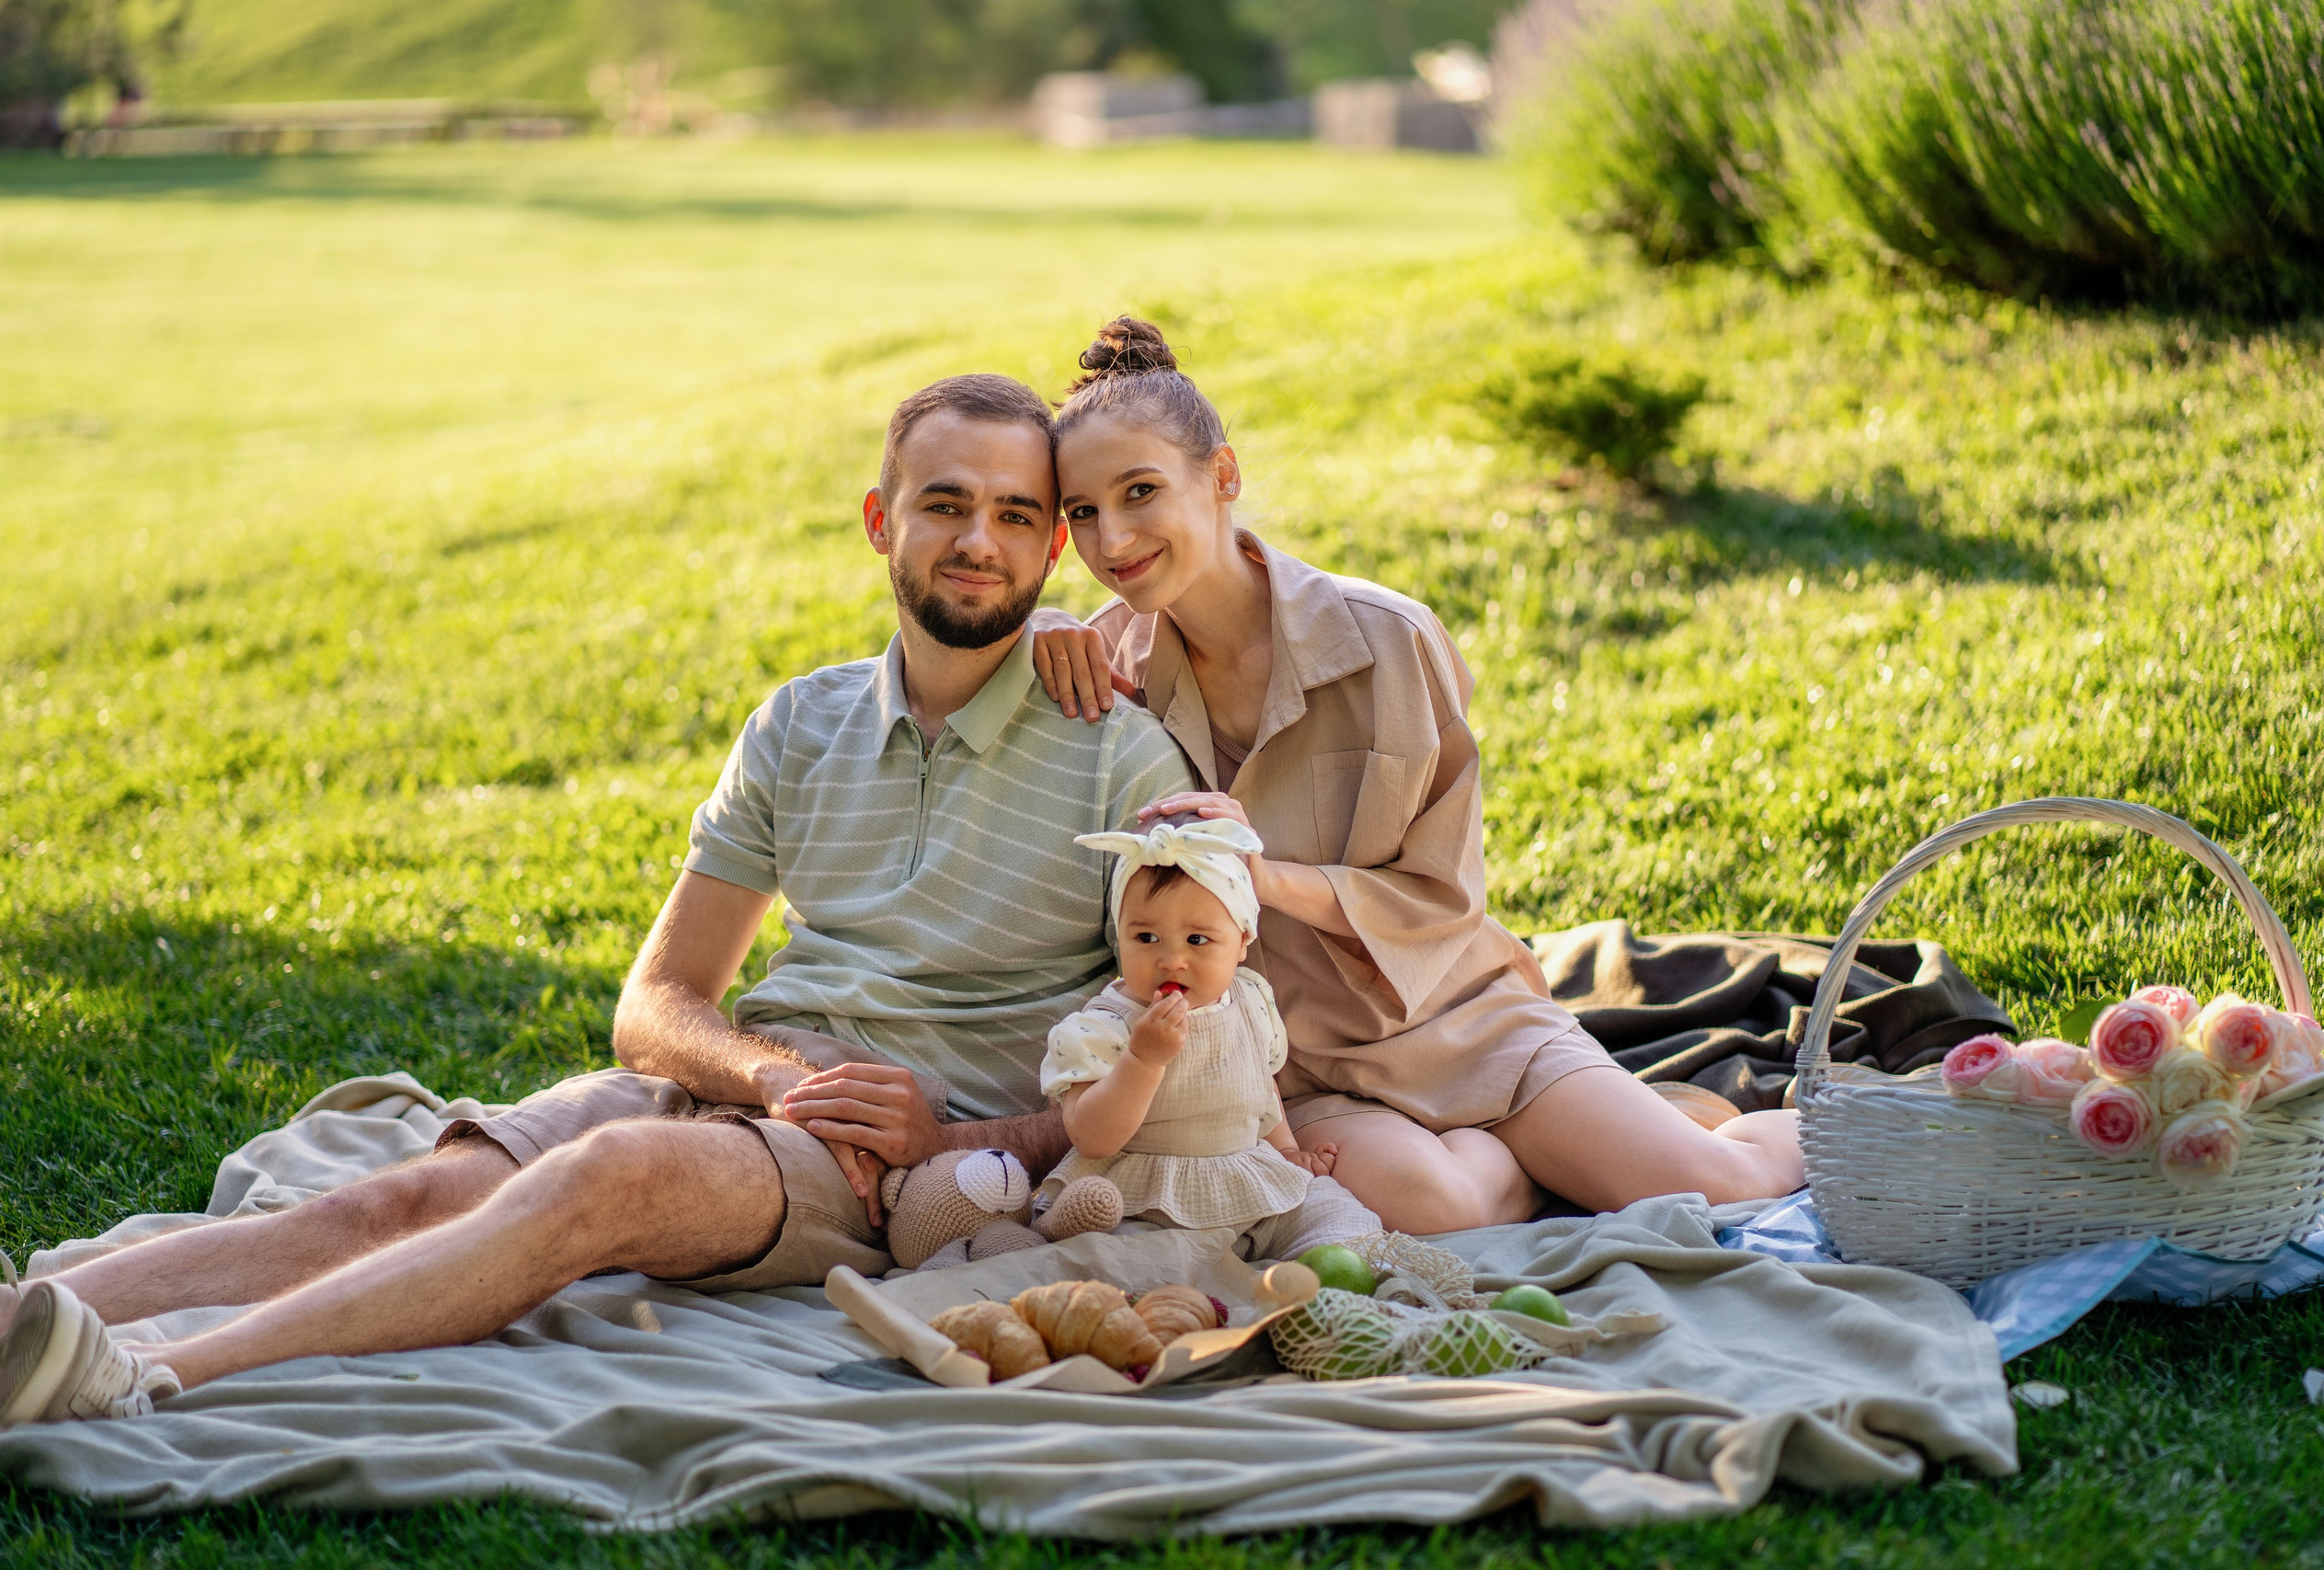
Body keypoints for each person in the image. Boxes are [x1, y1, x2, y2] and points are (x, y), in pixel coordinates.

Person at [0, 372, 1196, 1427]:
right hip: (750, 1080)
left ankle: (150, 1375)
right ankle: (27, 1318)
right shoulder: (801, 719)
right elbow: (660, 998)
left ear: (1051, 553)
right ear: (883, 521)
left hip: (890, 1150)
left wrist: (954, 1140)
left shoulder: (1120, 758)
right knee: (414, 1188)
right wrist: (771, 1073)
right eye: (946, 503)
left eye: (1016, 515)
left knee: (609, 1173)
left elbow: (1178, 1058)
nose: (978, 538)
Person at [1031, 317, 1804, 1234]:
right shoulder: (1106, 661)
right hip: (1295, 1062)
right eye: (1081, 512)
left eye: (1140, 492)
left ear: (1223, 477)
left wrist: (1263, 877)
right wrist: (1029, 635)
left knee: (1711, 1187)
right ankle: (1560, 1155)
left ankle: (1864, 1114)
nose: (1110, 538)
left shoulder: (1388, 639)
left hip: (1460, 1019)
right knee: (1429, 1208)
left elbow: (1443, 896)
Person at [1039, 814, 1378, 1261]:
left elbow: (1259, 1085)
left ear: (1242, 942)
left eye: (1197, 939)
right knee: (1122, 1258)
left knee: (1341, 1218)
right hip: (1148, 1199)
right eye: (1146, 936)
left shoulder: (1251, 999)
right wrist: (1143, 1060)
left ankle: (1343, 1281)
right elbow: (1092, 1138)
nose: (1171, 960)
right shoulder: (1103, 1027)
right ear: (1119, 937)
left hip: (1247, 1181)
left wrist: (1288, 1150)